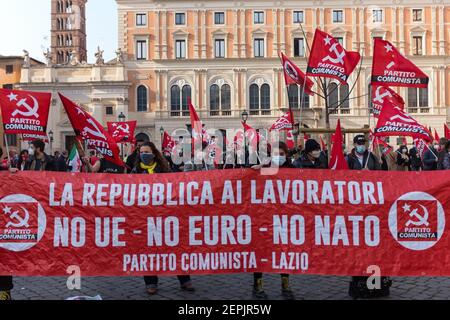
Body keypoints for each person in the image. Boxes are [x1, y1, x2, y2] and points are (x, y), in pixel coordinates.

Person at [132, 141, 195, 295]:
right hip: (145, 217)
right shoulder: (135, 171)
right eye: (141, 152)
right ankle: (151, 282)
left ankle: (184, 280)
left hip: (166, 215)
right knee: (148, 251)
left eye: (147, 151)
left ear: (154, 153)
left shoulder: (165, 169)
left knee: (175, 248)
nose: (144, 154)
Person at [0, 139, 57, 300]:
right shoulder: (27, 161)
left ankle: (4, 291)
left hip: (40, 200)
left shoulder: (51, 161)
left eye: (32, 147)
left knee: (5, 253)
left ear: (38, 148)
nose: (29, 150)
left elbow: (57, 179)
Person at [346, 135, 391, 299]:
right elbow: (341, 177)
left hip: (373, 205)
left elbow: (382, 175)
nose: (361, 146)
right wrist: (358, 174)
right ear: (354, 144)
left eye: (363, 143)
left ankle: (377, 282)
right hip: (355, 205)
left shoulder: (372, 157)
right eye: (358, 144)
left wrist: (376, 167)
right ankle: (359, 279)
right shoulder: (349, 158)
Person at [250, 142, 295, 300]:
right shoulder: (263, 167)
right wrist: (255, 170)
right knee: (261, 251)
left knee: (284, 251)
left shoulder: (292, 169)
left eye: (282, 154)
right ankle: (258, 285)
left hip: (284, 217)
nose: (279, 157)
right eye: (277, 153)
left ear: (286, 154)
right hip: (264, 217)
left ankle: (285, 283)